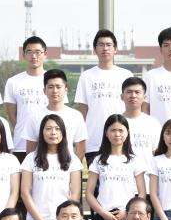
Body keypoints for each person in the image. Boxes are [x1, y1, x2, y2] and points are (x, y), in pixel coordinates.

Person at [85, 114, 146, 220]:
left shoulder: (135, 160)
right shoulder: (98, 160)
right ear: (106, 133)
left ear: (127, 133)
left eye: (121, 130)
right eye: (113, 130)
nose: (117, 134)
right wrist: (103, 213)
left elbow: (142, 193)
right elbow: (89, 193)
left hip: (128, 217)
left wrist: (128, 212)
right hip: (103, 217)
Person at [20, 113, 83, 220]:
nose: (53, 132)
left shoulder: (73, 159)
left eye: (57, 129)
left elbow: (75, 193)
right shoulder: (31, 158)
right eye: (48, 129)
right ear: (42, 132)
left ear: (63, 132)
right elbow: (25, 192)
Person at [75, 29, 134, 164]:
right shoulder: (86, 76)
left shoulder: (126, 75)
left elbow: (133, 108)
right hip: (94, 142)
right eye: (101, 45)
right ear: (95, 50)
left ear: (115, 49)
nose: (105, 48)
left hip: (121, 140)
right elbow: (83, 111)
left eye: (108, 45)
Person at [23, 68, 87, 162]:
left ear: (66, 89)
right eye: (50, 87)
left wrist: (72, 167)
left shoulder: (76, 116)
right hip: (42, 167)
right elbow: (30, 149)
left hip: (67, 166)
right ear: (44, 90)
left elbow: (81, 149)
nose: (55, 91)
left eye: (58, 87)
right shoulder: (34, 116)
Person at [4, 36, 49, 160]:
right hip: (21, 145)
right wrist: (25, 131)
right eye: (29, 52)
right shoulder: (13, 82)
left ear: (45, 54)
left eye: (38, 52)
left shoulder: (53, 80)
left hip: (49, 144)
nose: (34, 56)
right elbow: (12, 116)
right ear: (23, 55)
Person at [120, 76, 162, 177]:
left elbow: (158, 154)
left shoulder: (153, 123)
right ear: (122, 96)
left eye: (137, 92)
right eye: (129, 92)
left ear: (144, 97)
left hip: (147, 180)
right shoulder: (115, 123)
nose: (133, 96)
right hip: (122, 179)